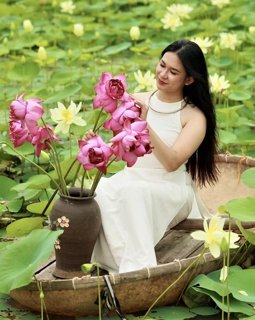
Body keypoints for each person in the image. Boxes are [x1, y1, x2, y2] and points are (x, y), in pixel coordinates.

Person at [86, 39, 219, 274]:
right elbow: (121, 149)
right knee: (98, 192)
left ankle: (136, 269)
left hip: (171, 188)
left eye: (173, 71)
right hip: (131, 177)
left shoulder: (195, 117)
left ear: (188, 79)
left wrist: (144, 124)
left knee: (134, 193)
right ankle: (107, 262)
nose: (163, 74)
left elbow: (171, 163)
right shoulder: (136, 99)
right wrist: (96, 146)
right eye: (162, 65)